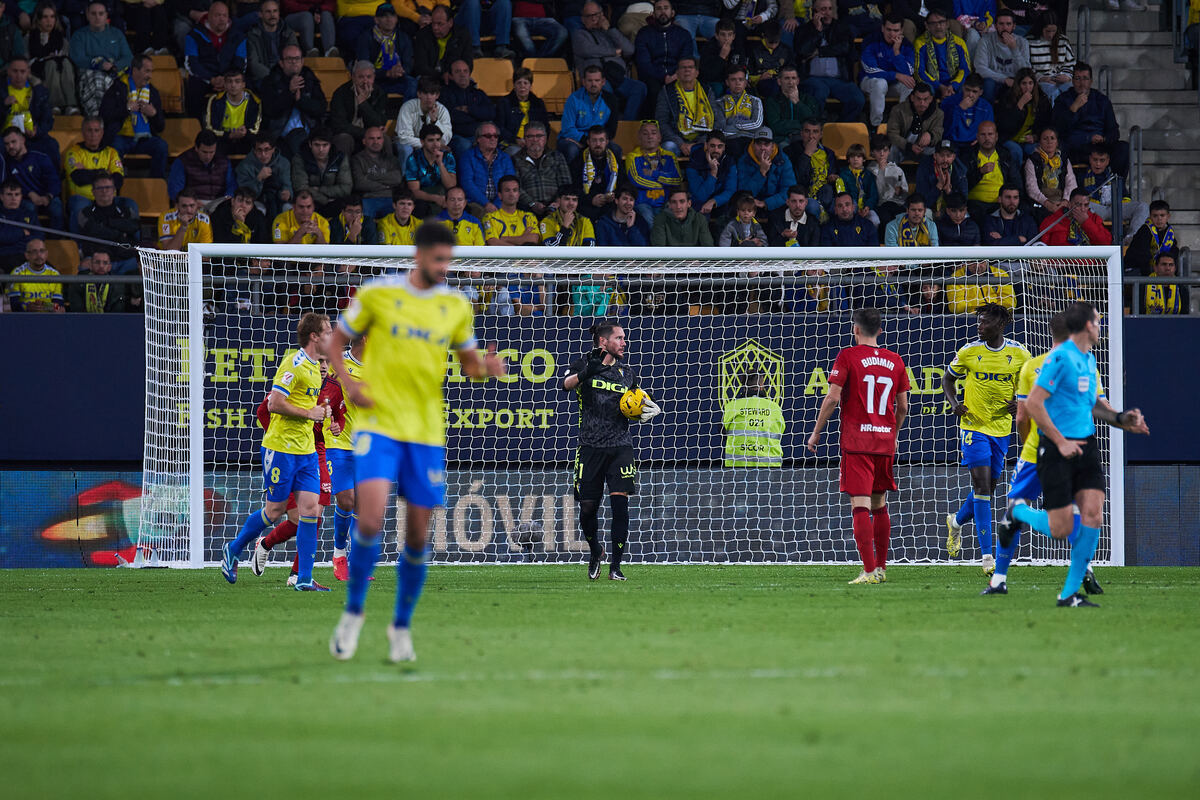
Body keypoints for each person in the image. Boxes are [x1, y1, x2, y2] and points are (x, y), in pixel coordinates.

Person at [328, 222, 506, 661]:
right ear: (419, 255)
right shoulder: (377, 293)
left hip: (426, 431)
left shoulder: (456, 305)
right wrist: (350, 384)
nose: (444, 267)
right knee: (369, 520)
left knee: (416, 536)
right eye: (438, 259)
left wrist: (487, 366)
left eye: (449, 259)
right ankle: (353, 616)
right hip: (378, 425)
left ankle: (401, 627)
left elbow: (467, 366)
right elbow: (335, 342)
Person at [1021, 301, 1149, 606]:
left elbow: (1092, 405)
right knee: (1060, 528)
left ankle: (1069, 594)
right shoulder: (1059, 358)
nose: (1101, 325)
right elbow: (1034, 404)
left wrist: (1121, 419)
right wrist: (1060, 441)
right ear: (1087, 326)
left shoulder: (1089, 360)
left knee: (1093, 514)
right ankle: (1018, 512)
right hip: (1055, 447)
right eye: (1098, 321)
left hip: (1087, 446)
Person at [986, 312, 1109, 595]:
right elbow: (1099, 405)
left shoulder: (1032, 366)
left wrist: (1028, 443)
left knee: (1016, 509)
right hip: (1078, 448)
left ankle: (999, 580)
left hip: (1036, 451)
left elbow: (1021, 416)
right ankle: (1085, 569)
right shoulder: (1087, 363)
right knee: (1076, 512)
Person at [221, 312, 333, 590]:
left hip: (306, 451)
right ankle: (233, 549)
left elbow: (308, 409)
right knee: (275, 511)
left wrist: (320, 414)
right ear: (314, 336)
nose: (332, 336)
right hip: (280, 449)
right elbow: (273, 404)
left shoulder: (317, 368)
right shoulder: (293, 364)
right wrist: (310, 412)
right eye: (328, 331)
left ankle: (303, 578)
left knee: (310, 511)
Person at [806, 307, 910, 584]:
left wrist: (816, 432)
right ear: (880, 330)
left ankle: (868, 570)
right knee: (880, 504)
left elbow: (831, 399)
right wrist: (893, 434)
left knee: (860, 505)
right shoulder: (896, 360)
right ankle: (882, 568)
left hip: (858, 442)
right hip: (884, 441)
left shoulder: (848, 356)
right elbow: (903, 406)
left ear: (856, 329)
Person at [562, 321, 660, 581]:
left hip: (620, 446)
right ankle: (595, 551)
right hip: (590, 447)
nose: (624, 342)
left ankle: (616, 567)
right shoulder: (583, 363)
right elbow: (566, 385)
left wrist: (644, 412)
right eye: (619, 338)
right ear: (603, 342)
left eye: (624, 338)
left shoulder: (627, 372)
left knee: (620, 505)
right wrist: (586, 373)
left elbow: (634, 403)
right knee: (587, 509)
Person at [941, 302, 1030, 575]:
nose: (979, 326)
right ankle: (987, 558)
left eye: (984, 322)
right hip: (973, 426)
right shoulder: (969, 352)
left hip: (1002, 428)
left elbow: (1032, 386)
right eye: (978, 321)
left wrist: (1021, 402)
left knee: (989, 488)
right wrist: (955, 402)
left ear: (1000, 325)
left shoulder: (1019, 354)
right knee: (981, 486)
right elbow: (947, 378)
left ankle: (955, 523)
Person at [572, 2, 648, 119]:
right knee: (605, 91)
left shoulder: (611, 33)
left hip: (618, 76)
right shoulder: (579, 34)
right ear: (583, 19)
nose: (594, 19)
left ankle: (627, 125)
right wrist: (613, 52)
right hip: (596, 79)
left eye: (596, 15)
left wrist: (610, 30)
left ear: (602, 15)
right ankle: (613, 126)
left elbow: (629, 50)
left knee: (639, 88)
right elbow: (587, 50)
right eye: (589, 16)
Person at [1051, 62, 1128, 177]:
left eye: (1085, 79)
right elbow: (1057, 129)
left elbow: (1114, 131)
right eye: (1077, 79)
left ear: (1091, 81)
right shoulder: (1063, 100)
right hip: (1075, 146)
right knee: (1059, 147)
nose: (1081, 83)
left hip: (1099, 145)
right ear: (1072, 81)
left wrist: (1104, 139)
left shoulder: (1102, 100)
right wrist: (1073, 108)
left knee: (1123, 148)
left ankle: (1117, 188)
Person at [795, 0, 865, 122]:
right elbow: (802, 51)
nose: (827, 13)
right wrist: (817, 31)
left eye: (829, 9)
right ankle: (815, 126)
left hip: (838, 79)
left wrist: (819, 52)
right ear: (814, 12)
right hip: (813, 78)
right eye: (823, 9)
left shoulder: (842, 28)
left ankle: (842, 125)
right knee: (820, 91)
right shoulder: (804, 30)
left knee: (858, 98)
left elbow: (844, 47)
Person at [259, 43, 327, 157]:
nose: (294, 62)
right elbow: (269, 110)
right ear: (281, 63)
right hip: (279, 135)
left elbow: (321, 109)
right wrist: (289, 93)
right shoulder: (271, 81)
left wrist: (301, 100)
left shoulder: (310, 79)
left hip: (310, 133)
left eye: (297, 58)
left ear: (302, 61)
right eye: (289, 59)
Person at [183, 1, 248, 116]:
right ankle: (197, 126)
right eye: (218, 15)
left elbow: (240, 63)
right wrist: (211, 79)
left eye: (225, 16)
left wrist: (226, 80)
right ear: (208, 17)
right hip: (204, 79)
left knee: (246, 86)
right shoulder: (194, 35)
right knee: (193, 87)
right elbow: (192, 64)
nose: (222, 19)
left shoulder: (238, 36)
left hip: (229, 77)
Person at [1075, 144, 1148, 243]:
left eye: (1102, 160)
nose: (1098, 164)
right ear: (1090, 159)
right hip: (1094, 208)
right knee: (1080, 206)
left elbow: (1124, 196)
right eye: (1095, 160)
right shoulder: (1081, 176)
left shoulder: (1114, 175)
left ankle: (1132, 237)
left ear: (1108, 161)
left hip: (1114, 207)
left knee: (1142, 206)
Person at [69, 2, 132, 116]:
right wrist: (99, 65)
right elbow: (77, 58)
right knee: (98, 79)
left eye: (101, 13)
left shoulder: (116, 34)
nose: (97, 17)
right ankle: (100, 119)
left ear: (106, 15)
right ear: (87, 15)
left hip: (115, 74)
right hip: (88, 74)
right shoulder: (79, 35)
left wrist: (114, 66)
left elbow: (128, 57)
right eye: (93, 13)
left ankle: (99, 119)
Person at [653, 56, 720, 156]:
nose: (687, 70)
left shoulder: (707, 91)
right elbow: (662, 121)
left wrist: (700, 142)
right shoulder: (667, 91)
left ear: (697, 73)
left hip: (702, 139)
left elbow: (718, 119)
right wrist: (680, 143)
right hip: (677, 140)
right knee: (668, 147)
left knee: (715, 147)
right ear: (677, 73)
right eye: (683, 67)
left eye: (691, 67)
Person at [859, 14, 916, 128]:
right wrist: (895, 75)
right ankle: (876, 125)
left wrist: (896, 52)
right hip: (870, 82)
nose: (892, 34)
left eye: (896, 30)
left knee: (909, 85)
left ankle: (902, 126)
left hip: (893, 85)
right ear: (882, 28)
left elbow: (908, 72)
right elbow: (871, 70)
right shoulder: (870, 41)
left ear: (902, 30)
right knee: (880, 83)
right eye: (888, 29)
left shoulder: (906, 45)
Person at [634, 0, 692, 109]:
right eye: (659, 9)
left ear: (672, 13)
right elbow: (644, 63)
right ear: (654, 13)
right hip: (652, 76)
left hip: (677, 75)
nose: (662, 11)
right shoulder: (644, 33)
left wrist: (675, 75)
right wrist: (664, 77)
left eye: (666, 8)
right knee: (653, 90)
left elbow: (686, 59)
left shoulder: (683, 34)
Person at [78, 174, 140, 273]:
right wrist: (119, 233)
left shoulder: (126, 210)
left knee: (139, 265)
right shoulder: (85, 212)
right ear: (93, 191)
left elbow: (134, 226)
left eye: (108, 187)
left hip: (124, 260)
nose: (104, 191)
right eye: (100, 188)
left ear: (114, 190)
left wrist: (108, 223)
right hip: (97, 260)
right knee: (84, 266)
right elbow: (93, 230)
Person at [625, 120, 682, 226]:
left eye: (653, 133)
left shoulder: (669, 156)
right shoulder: (632, 156)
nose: (649, 136)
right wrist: (663, 183)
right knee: (652, 224)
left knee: (674, 222)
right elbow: (637, 180)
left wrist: (654, 174)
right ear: (639, 137)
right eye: (645, 133)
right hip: (643, 203)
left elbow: (676, 179)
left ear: (660, 137)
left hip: (666, 202)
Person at [558, 65, 619, 164]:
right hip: (574, 140)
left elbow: (611, 130)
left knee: (615, 150)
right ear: (584, 82)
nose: (593, 84)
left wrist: (595, 142)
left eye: (597, 80)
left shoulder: (611, 100)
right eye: (590, 80)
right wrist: (586, 141)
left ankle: (610, 179)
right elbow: (567, 128)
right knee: (571, 150)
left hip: (598, 140)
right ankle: (572, 179)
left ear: (603, 82)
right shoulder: (573, 99)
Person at [723, 371, 785, 467]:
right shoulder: (774, 408)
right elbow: (780, 431)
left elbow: (723, 432)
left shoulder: (732, 407)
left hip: (738, 465)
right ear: (761, 385)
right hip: (770, 465)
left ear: (743, 385)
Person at [3, 126, 61, 229]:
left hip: (46, 197)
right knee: (28, 208)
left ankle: (57, 242)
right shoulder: (7, 163)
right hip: (24, 199)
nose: (10, 146)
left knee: (56, 207)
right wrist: (29, 194)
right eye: (7, 144)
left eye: (13, 142)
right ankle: (31, 239)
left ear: (22, 140)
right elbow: (8, 185)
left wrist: (48, 196)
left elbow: (54, 181)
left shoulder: (40, 158)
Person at [3, 57, 56, 167]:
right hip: (4, 137)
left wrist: (37, 131)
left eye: (22, 71)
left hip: (31, 136)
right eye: (15, 71)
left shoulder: (38, 92)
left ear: (28, 72)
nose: (19, 76)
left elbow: (48, 120)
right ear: (8, 72)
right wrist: (3, 106)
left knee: (51, 145)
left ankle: (53, 181)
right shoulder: (2, 90)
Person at [993, 68, 1050, 168]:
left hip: (1029, 139)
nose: (1027, 87)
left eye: (1030, 83)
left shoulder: (1042, 100)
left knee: (1036, 151)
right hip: (1009, 137)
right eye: (1024, 84)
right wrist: (1019, 105)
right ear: (1018, 85)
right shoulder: (1007, 97)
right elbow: (1004, 126)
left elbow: (1046, 124)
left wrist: (1035, 136)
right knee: (1016, 151)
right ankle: (1017, 180)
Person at [28, 3, 78, 115]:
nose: (49, 21)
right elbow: (26, 60)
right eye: (45, 17)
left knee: (65, 63)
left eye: (52, 17)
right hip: (38, 70)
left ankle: (71, 105)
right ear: (39, 19)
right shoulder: (30, 37)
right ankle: (55, 105)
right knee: (50, 64)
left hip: (60, 67)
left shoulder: (61, 39)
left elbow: (65, 55)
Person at [290, 127, 352, 218]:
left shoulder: (339, 158)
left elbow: (346, 188)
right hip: (311, 203)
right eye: (317, 145)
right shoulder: (300, 158)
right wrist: (324, 200)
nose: (321, 149)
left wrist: (320, 190)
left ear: (330, 145)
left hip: (335, 203)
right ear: (310, 144)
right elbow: (301, 187)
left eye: (325, 145)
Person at [459, 121, 515, 219]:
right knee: (483, 217)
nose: (493, 139)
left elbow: (510, 184)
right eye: (488, 136)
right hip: (475, 202)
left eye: (495, 136)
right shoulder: (467, 156)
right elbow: (467, 184)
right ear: (478, 139)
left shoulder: (505, 158)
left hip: (501, 202)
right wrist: (486, 204)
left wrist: (497, 205)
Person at [356, 5, 414, 99]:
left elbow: (408, 63)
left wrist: (400, 71)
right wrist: (385, 73)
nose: (389, 19)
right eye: (384, 16)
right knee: (365, 84)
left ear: (396, 19)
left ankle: (407, 112)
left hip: (397, 78)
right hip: (376, 80)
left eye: (392, 16)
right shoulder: (366, 38)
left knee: (412, 83)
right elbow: (364, 65)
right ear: (376, 20)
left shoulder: (403, 38)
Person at [441, 59, 495, 162]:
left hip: (478, 135)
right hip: (457, 136)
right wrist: (477, 116)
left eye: (465, 71)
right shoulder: (445, 94)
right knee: (464, 145)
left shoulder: (478, 93)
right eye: (458, 71)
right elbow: (451, 117)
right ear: (451, 76)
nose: (462, 74)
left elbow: (491, 113)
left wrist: (468, 109)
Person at [513, 121, 569, 216]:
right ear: (525, 139)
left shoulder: (557, 156)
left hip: (556, 207)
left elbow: (566, 184)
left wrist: (557, 202)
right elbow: (516, 187)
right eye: (530, 136)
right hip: (527, 208)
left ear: (546, 138)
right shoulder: (516, 159)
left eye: (539, 136)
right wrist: (532, 203)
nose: (535, 140)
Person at [394, 75, 452, 167]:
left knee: (445, 151)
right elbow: (403, 137)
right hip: (409, 144)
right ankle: (405, 179)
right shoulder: (408, 107)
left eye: (432, 93)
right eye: (425, 93)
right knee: (406, 149)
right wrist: (427, 144)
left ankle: (435, 180)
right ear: (419, 94)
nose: (428, 97)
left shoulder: (442, 110)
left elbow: (445, 140)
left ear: (437, 95)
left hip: (431, 145)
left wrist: (435, 121)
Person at [202, 68, 262, 155]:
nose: (233, 85)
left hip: (245, 140)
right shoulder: (215, 100)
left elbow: (255, 130)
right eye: (229, 82)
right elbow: (210, 128)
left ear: (243, 84)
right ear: (225, 85)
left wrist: (245, 133)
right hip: (222, 140)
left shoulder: (255, 101)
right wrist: (229, 135)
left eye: (237, 82)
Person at [972, 9, 1029, 101]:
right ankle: (988, 113)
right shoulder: (985, 41)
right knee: (988, 84)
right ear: (995, 26)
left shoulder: (1022, 42)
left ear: (1014, 26)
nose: (1005, 28)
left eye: (1008, 24)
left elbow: (1026, 72)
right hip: (992, 80)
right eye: (1001, 24)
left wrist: (1014, 49)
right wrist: (1004, 79)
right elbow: (980, 69)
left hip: (1013, 81)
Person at [785, 118, 837, 218]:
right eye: (807, 131)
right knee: (813, 206)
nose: (811, 136)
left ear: (821, 135)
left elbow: (833, 175)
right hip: (802, 196)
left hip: (826, 195)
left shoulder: (829, 153)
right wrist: (807, 154)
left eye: (815, 132)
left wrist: (833, 177)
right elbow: (796, 179)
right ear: (801, 133)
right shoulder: (790, 151)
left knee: (846, 205)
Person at [352, 124, 406, 218]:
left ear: (383, 140)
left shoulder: (391, 159)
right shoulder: (357, 159)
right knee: (364, 223)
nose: (376, 141)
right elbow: (360, 183)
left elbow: (397, 179)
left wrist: (369, 177)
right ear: (364, 141)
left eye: (378, 138)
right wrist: (386, 185)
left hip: (389, 199)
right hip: (367, 199)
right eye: (371, 138)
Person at [914, 9, 970, 100]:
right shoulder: (920, 43)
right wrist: (940, 86)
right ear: (927, 26)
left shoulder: (959, 43)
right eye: (933, 23)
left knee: (965, 89)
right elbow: (919, 72)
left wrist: (953, 86)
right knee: (926, 90)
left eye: (941, 22)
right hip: (932, 84)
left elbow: (965, 69)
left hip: (954, 84)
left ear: (947, 24)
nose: (938, 26)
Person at [404, 123, 456, 217]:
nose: (436, 144)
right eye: (431, 140)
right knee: (421, 208)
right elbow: (414, 191)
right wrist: (435, 198)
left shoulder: (448, 157)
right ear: (422, 142)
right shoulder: (413, 159)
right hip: (423, 197)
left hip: (444, 194)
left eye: (438, 140)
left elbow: (451, 185)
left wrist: (440, 164)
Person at [495, 67, 550, 155]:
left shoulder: (538, 103)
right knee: (518, 153)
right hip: (511, 143)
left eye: (525, 83)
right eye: (519, 83)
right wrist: (515, 139)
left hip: (534, 142)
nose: (522, 86)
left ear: (530, 85)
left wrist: (538, 141)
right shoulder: (504, 103)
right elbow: (500, 128)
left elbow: (545, 127)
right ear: (514, 85)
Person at [574, 126, 625, 220]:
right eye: (594, 140)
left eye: (601, 140)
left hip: (610, 204)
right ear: (588, 142)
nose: (598, 144)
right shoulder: (578, 161)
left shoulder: (616, 161)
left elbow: (623, 185)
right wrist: (591, 199)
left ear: (607, 142)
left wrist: (614, 195)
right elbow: (574, 189)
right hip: (586, 205)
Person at [736, 128, 792, 213]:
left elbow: (789, 190)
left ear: (772, 146)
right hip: (750, 205)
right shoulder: (744, 161)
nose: (762, 148)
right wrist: (761, 173)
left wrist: (766, 203)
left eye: (766, 144)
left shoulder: (782, 160)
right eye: (759, 144)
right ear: (753, 145)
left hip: (775, 205)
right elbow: (743, 193)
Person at [246, 0, 299, 90]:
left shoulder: (288, 33)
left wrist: (284, 77)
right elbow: (254, 64)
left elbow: (294, 58)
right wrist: (274, 78)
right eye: (268, 12)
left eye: (275, 11)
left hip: (285, 76)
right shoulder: (253, 35)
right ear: (260, 14)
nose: (272, 15)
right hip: (263, 78)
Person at [685, 129, 736, 220]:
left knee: (730, 212)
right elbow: (700, 196)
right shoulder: (694, 162)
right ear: (706, 145)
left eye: (719, 146)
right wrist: (713, 173)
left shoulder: (729, 161)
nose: (716, 150)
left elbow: (730, 190)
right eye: (712, 146)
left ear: (724, 147)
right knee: (701, 213)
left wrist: (714, 201)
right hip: (699, 203)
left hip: (719, 201)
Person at [66, 249, 138, 313]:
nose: (101, 266)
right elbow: (76, 308)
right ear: (90, 265)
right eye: (97, 262)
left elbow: (117, 311)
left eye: (105, 263)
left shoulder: (117, 284)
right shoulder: (79, 280)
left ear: (109, 267)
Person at [886, 82, 943, 164]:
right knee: (893, 148)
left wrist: (931, 135)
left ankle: (929, 175)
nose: (922, 103)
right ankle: (891, 174)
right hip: (904, 146)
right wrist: (909, 146)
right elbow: (892, 134)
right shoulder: (898, 110)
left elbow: (939, 133)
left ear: (930, 99)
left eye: (925, 99)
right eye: (918, 99)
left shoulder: (938, 113)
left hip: (924, 148)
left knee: (935, 151)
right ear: (912, 97)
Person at [764, 65, 820, 146]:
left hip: (805, 138)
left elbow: (813, 122)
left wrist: (797, 102)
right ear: (779, 81)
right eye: (787, 78)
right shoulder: (772, 101)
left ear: (798, 81)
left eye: (793, 78)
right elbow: (775, 126)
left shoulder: (808, 99)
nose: (791, 82)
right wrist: (800, 125)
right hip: (781, 139)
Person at [412, 5, 473, 78]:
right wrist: (441, 76)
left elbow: (468, 63)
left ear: (450, 22)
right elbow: (421, 67)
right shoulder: (422, 35)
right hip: (430, 78)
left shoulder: (462, 35)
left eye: (440, 24)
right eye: (433, 23)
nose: (435, 28)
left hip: (453, 77)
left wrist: (452, 75)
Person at [1038, 187, 1112, 247]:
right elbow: (1043, 248)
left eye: (1086, 205)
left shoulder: (1094, 218)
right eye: (1078, 205)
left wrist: (1087, 223)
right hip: (1063, 264)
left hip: (1089, 264)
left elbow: (1105, 244)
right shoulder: (1052, 220)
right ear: (1069, 204)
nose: (1082, 209)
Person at [1125, 200, 1180, 278]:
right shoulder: (1145, 230)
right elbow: (1142, 256)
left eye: (1162, 215)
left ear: (1168, 217)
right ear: (1150, 216)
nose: (1159, 219)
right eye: (1155, 216)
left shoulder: (1169, 233)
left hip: (1158, 268)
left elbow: (1174, 251)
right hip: (1136, 268)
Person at [1027, 12, 1074, 103]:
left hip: (1060, 79)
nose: (1051, 35)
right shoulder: (1029, 41)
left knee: (1072, 92)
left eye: (1053, 31)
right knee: (1053, 92)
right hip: (1040, 81)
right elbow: (1026, 66)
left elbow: (1070, 63)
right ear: (1041, 28)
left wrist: (1067, 76)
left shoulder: (1063, 41)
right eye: (1048, 31)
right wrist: (1040, 78)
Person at [940, 73, 993, 154]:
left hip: (975, 144)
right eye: (967, 90)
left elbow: (989, 131)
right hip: (952, 143)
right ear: (963, 88)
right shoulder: (948, 102)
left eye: (974, 91)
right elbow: (945, 130)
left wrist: (981, 138)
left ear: (981, 92)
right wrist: (959, 109)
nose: (970, 95)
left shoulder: (986, 107)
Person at [6, 238, 62, 311]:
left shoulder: (54, 274)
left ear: (46, 254)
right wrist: (27, 307)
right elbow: (12, 304)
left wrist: (43, 306)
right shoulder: (17, 273)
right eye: (34, 252)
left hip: (48, 318)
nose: (39, 255)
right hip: (23, 318)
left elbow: (59, 305)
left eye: (42, 251)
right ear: (27, 255)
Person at [914, 139, 967, 216]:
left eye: (948, 156)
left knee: (964, 215)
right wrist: (938, 186)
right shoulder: (924, 168)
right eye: (942, 155)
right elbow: (922, 202)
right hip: (930, 208)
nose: (945, 160)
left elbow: (962, 202)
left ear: (953, 157)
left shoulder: (960, 170)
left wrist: (949, 191)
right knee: (924, 213)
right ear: (935, 156)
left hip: (950, 209)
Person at [482, 175, 539, 245]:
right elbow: (493, 242)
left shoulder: (529, 216)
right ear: (500, 195)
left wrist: (504, 239)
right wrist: (522, 239)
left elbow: (534, 239)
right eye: (507, 190)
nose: (511, 194)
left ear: (518, 194)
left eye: (515, 190)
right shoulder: (490, 217)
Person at [945, 258, 1013, 315]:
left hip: (997, 316)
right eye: (973, 262)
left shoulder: (1001, 274)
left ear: (987, 261)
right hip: (969, 319)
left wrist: (993, 311)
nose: (977, 266)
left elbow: (1010, 302)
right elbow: (956, 306)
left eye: (981, 261)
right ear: (967, 262)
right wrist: (980, 311)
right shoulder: (956, 277)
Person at [834, 142, 879, 227]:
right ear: (848, 159)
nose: (855, 159)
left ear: (864, 159)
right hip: (849, 207)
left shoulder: (869, 175)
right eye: (852, 156)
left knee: (875, 220)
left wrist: (867, 207)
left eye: (858, 156)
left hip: (866, 208)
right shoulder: (843, 174)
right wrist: (854, 208)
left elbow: (873, 195)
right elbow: (843, 194)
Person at [869, 134, 907, 229]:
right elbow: (877, 194)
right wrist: (881, 171)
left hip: (896, 204)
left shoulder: (897, 170)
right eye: (878, 151)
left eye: (885, 150)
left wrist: (900, 191)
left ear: (889, 151)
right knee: (885, 218)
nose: (882, 154)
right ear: (872, 152)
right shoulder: (870, 170)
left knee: (903, 218)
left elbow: (904, 193)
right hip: (880, 205)